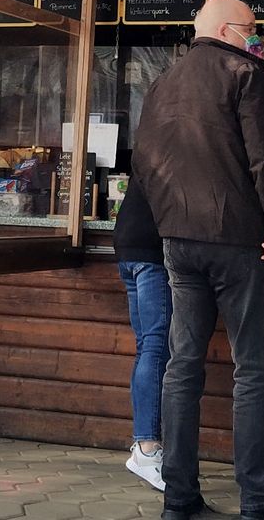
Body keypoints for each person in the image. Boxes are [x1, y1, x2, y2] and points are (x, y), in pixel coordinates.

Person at [132, 0, 264, 520]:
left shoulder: (163, 81)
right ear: (230, 30)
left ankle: (179, 499)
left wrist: (169, 221)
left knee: (182, 366)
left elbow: (144, 163)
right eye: (252, 28)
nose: (257, 37)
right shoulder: (244, 73)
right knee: (252, 369)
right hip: (238, 241)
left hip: (177, 242)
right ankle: (258, 500)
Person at [112, 175, 168, 491]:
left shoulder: (150, 147)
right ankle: (148, 448)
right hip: (151, 247)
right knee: (155, 346)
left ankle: (143, 445)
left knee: (146, 345)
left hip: (128, 243)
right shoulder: (180, 148)